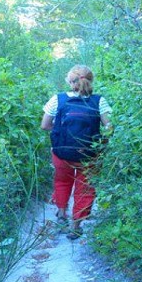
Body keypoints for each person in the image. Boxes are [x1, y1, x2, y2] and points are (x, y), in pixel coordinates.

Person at [40, 65, 112, 240]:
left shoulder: (58, 100)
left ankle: (62, 215)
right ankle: (75, 225)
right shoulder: (99, 101)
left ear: (71, 82)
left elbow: (44, 125)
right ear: (90, 80)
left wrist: (60, 135)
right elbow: (109, 127)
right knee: (85, 187)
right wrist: (98, 144)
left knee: (62, 181)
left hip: (61, 153)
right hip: (89, 155)